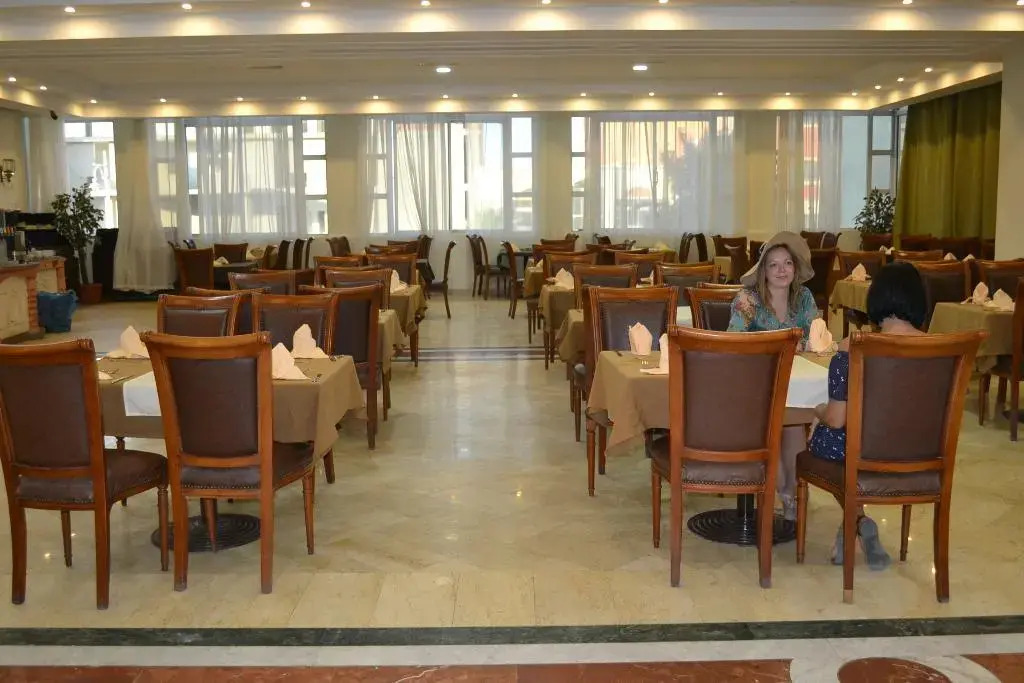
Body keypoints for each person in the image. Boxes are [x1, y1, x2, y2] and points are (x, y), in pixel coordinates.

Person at [809, 262, 927, 570]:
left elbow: (837, 419)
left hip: (866, 450)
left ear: (876, 298)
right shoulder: (944, 349)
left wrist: (817, 412)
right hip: (921, 451)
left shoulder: (853, 350)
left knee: (821, 437)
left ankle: (856, 519)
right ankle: (856, 523)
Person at [727, 231, 820, 519]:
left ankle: (792, 497)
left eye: (788, 263)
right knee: (777, 422)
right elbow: (733, 340)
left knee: (793, 422)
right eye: (774, 264)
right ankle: (781, 493)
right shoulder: (747, 299)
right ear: (763, 271)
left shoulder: (803, 298)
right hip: (754, 383)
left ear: (795, 268)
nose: (782, 270)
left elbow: (816, 336)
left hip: (796, 380)